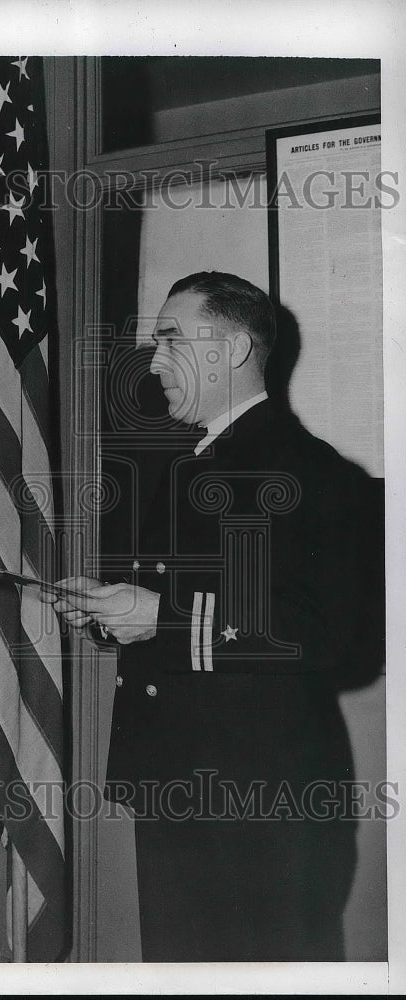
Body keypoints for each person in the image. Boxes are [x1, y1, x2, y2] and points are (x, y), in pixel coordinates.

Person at [44, 272, 384, 961]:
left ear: (231, 351)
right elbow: (202, 607)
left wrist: (160, 619)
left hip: (261, 802)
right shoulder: (193, 465)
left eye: (171, 337)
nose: (154, 358)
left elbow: (330, 636)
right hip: (180, 786)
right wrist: (119, 614)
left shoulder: (317, 474)